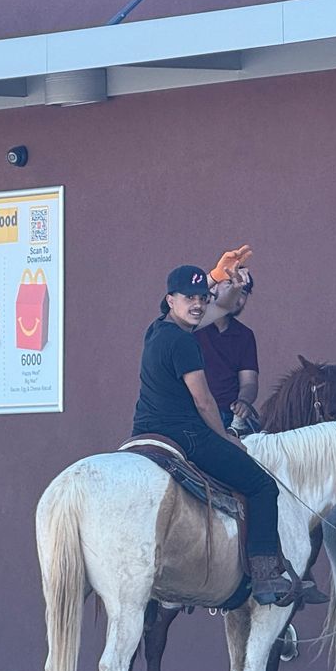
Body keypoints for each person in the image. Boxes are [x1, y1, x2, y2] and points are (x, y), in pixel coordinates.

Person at [131, 251, 297, 605]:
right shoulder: (184, 342)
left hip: (144, 431)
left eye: (200, 299)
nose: (196, 305)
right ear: (170, 300)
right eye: (188, 299)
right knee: (262, 486)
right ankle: (266, 576)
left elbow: (217, 307)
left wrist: (217, 276)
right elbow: (205, 402)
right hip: (187, 436)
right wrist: (225, 440)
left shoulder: (155, 330)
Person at [195, 269, 260, 434]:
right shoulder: (193, 325)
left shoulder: (245, 335)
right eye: (230, 284)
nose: (237, 292)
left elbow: (249, 382)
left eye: (243, 291)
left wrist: (243, 402)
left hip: (229, 416)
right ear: (213, 288)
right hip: (192, 414)